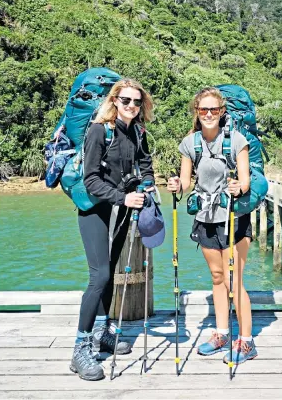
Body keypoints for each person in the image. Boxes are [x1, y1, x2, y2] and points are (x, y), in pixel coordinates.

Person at [70, 78, 155, 381]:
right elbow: (91, 179)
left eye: (136, 101)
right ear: (115, 100)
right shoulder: (98, 130)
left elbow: (145, 166)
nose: (131, 106)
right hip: (95, 209)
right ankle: (80, 349)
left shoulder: (138, 132)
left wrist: (147, 184)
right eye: (126, 100)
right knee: (100, 276)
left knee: (111, 277)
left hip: (121, 209)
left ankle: (103, 333)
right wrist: (123, 197)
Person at [167, 87, 257, 365]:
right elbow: (185, 181)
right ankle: (221, 334)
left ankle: (246, 341)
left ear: (221, 112)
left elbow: (245, 181)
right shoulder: (190, 144)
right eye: (203, 110)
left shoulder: (236, 141)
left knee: (234, 280)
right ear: (197, 112)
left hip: (232, 218)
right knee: (218, 278)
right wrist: (176, 185)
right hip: (205, 219)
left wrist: (238, 187)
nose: (208, 114)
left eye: (214, 110)